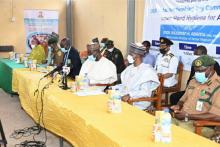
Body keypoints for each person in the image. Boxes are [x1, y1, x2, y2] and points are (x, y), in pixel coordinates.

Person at [171, 55, 220, 137]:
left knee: (174, 133)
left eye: (202, 71)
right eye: (196, 71)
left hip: (201, 125)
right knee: (161, 124)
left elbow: (217, 115)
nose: (198, 74)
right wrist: (178, 105)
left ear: (211, 67)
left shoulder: (218, 86)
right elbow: (183, 99)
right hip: (183, 119)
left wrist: (188, 116)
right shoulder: (193, 81)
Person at [119, 43, 160, 110]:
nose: (128, 55)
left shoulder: (147, 71)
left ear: (138, 55)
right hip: (125, 97)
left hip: (138, 101)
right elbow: (125, 85)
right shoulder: (129, 68)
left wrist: (130, 95)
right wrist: (114, 89)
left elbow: (145, 92)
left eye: (131, 53)